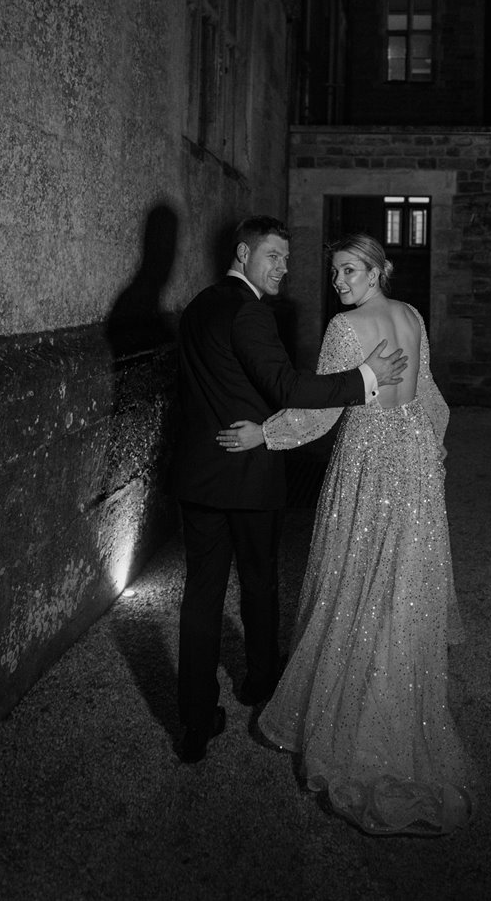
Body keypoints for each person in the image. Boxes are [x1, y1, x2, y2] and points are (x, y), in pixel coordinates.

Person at [216, 233, 474, 835]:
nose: (339, 283)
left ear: (378, 270)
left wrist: (264, 435)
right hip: (411, 459)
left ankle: (354, 721)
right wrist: (432, 448)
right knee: (399, 580)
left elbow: (321, 408)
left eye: (350, 270)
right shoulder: (411, 316)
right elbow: (432, 398)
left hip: (369, 460)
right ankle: (390, 707)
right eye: (334, 273)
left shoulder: (346, 328)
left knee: (357, 577)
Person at [172, 216, 408, 764]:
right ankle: (259, 682)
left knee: (200, 596)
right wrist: (365, 378)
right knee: (258, 581)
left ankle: (195, 719)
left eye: (286, 258)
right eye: (273, 256)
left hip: (199, 473)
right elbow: (288, 387)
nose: (283, 268)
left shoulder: (197, 307)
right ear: (243, 253)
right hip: (250, 471)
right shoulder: (249, 311)